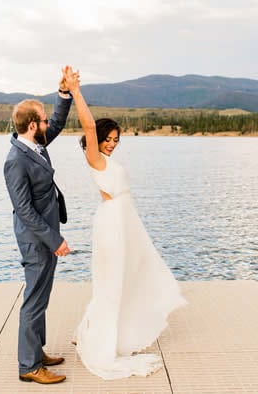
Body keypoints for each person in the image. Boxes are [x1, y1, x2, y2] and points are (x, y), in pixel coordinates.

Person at [67, 66, 186, 379]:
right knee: (110, 283)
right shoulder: (94, 157)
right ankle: (98, 340)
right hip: (110, 225)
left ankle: (86, 331)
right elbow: (88, 127)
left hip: (124, 224)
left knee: (124, 278)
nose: (111, 143)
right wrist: (76, 91)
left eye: (115, 139)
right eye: (107, 138)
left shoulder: (111, 160)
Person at [3, 67, 75, 385]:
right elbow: (24, 210)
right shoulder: (15, 160)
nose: (48, 124)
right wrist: (53, 239)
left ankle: (37, 351)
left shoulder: (35, 145)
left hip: (44, 236)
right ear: (32, 125)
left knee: (41, 296)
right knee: (34, 298)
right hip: (36, 239)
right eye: (43, 119)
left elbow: (58, 122)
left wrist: (63, 95)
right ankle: (29, 366)